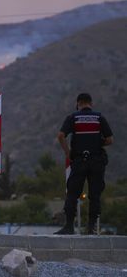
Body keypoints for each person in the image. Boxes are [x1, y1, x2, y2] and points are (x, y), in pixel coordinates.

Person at [54, 93, 113, 235]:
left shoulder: (73, 117)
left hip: (79, 160)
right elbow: (110, 140)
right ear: (90, 103)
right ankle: (90, 228)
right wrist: (98, 144)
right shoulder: (99, 118)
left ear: (78, 103)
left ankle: (69, 227)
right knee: (95, 195)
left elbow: (61, 136)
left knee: (72, 194)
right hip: (97, 161)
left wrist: (68, 152)